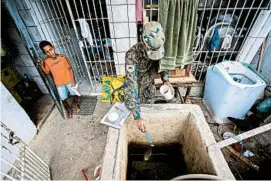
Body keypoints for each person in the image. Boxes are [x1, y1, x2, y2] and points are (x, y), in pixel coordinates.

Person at [124, 22, 171, 133]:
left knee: (149, 112)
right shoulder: (132, 55)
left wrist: (166, 80)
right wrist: (137, 116)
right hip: (137, 88)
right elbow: (131, 83)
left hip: (150, 86)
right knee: (136, 117)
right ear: (144, 41)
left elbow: (163, 64)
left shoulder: (160, 44)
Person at [38, 40, 80, 118]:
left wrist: (73, 82)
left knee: (74, 94)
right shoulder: (46, 61)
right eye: (47, 52)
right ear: (45, 53)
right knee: (63, 99)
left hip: (69, 81)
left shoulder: (62, 57)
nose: (50, 53)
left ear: (53, 47)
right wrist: (41, 66)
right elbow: (47, 72)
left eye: (50, 49)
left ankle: (76, 104)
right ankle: (69, 110)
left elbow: (70, 69)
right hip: (59, 84)